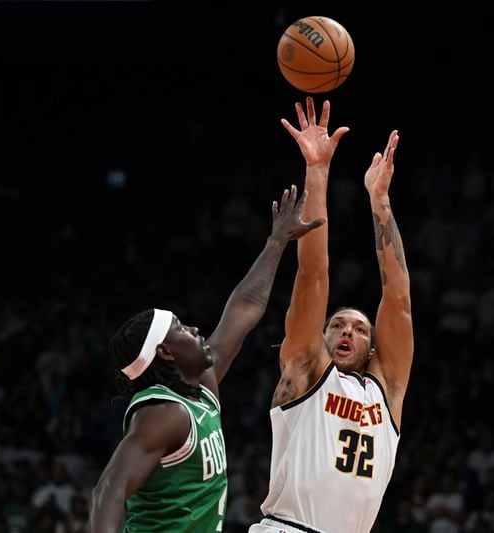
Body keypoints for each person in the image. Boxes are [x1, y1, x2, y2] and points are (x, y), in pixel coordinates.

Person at [89, 185, 324, 533]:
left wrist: (276, 243)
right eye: (180, 328)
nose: (195, 329)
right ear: (166, 352)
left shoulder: (199, 387)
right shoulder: (165, 413)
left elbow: (242, 311)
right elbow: (108, 490)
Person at [250, 98, 414, 533]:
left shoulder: (388, 390)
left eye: (359, 328)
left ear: (372, 345)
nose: (346, 331)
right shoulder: (305, 369)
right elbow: (313, 272)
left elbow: (397, 299)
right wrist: (317, 172)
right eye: (337, 324)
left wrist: (380, 200)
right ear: (321, 337)